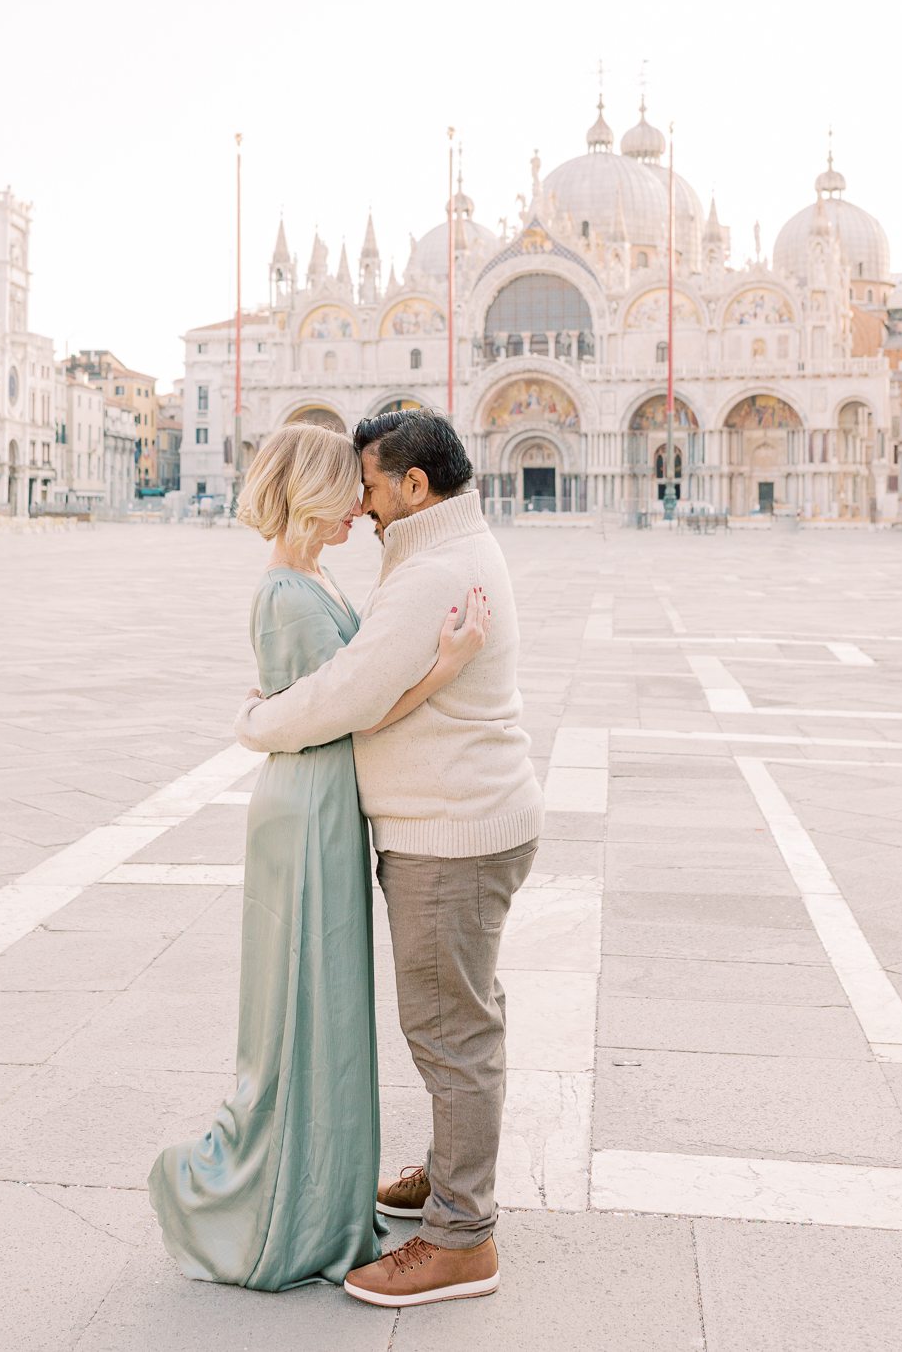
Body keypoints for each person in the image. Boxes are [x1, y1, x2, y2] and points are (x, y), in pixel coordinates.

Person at [148, 423, 487, 1291]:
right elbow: (352, 709)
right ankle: (287, 1204)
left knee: (325, 995)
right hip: (306, 810)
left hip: (325, 801)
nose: (361, 509)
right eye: (347, 491)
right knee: (309, 996)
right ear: (309, 494)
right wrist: (444, 669)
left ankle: (322, 1191)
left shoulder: (314, 576)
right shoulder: (288, 593)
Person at [235, 410, 544, 1309]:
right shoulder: (445, 548)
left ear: (414, 485)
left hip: (450, 831)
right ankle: (451, 1178)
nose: (361, 504)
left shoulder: (432, 570)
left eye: (369, 485)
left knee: (451, 1034)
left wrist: (256, 721)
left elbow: (348, 693)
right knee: (462, 1020)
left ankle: (460, 1239)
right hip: (465, 818)